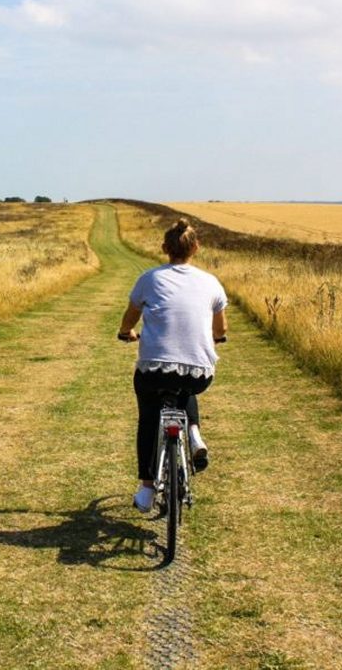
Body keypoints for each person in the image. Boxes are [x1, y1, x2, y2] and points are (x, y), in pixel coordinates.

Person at [117, 218, 228, 513]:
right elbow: (220, 330)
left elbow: (130, 318)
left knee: (149, 417)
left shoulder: (149, 279)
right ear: (196, 247)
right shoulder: (211, 282)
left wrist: (126, 331)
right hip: (199, 373)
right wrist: (216, 338)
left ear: (165, 248)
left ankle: (146, 489)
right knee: (186, 381)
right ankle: (193, 432)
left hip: (154, 369)